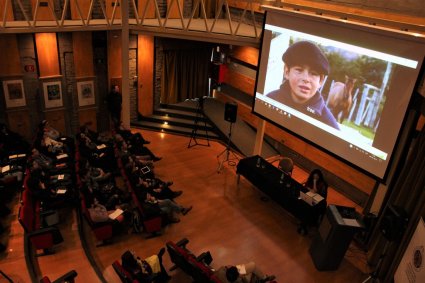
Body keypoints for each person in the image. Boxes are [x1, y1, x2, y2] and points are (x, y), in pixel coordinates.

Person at [266, 40, 340, 130]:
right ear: (287, 72)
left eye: (313, 73)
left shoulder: (329, 126)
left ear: (321, 80)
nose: (306, 79)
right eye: (299, 70)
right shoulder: (270, 100)